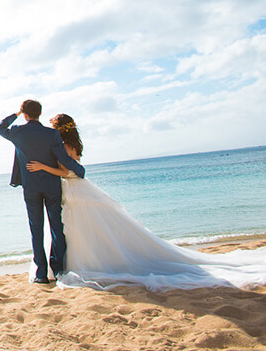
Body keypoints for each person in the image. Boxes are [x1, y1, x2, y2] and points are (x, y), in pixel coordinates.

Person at [28, 114, 266, 291]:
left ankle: (85, 263)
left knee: (80, 229)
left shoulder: (65, 146)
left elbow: (67, 172)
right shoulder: (73, 144)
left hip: (73, 190)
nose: (51, 130)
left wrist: (41, 167)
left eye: (53, 127)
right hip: (77, 191)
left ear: (59, 128)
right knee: (83, 229)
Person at [0, 100, 86, 284]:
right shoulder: (52, 134)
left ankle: (41, 274)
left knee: (36, 230)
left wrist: (16, 114)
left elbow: (0, 128)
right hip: (52, 185)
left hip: (31, 187)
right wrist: (79, 170)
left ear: (25, 113)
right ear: (41, 113)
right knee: (56, 228)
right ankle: (59, 270)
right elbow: (63, 158)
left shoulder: (17, 132)